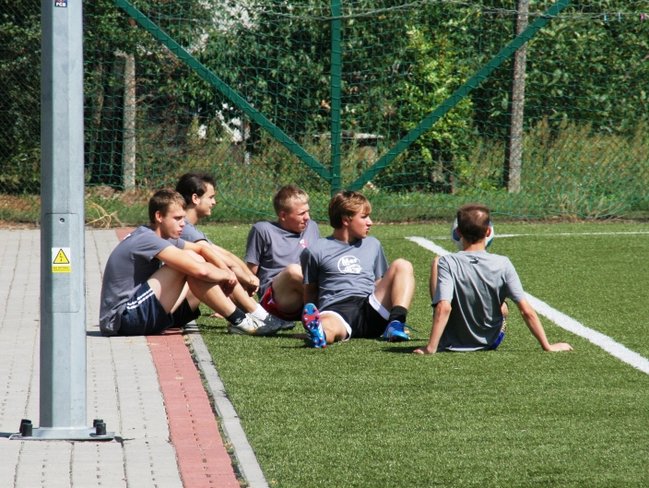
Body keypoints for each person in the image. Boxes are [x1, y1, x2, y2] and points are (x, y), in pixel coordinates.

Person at [100, 189, 263, 336]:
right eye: (177, 218)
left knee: (195, 259)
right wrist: (226, 275)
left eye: (183, 218)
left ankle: (254, 314)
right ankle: (241, 320)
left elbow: (201, 249)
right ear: (159, 217)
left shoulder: (161, 236)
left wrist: (225, 271)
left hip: (141, 314)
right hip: (122, 319)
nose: (183, 224)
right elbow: (200, 271)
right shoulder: (147, 239)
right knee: (189, 265)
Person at [414, 203, 573, 354]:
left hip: (450, 342)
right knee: (503, 306)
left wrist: (431, 347)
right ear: (489, 232)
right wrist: (547, 346)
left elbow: (444, 307)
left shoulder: (447, 262)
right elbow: (526, 311)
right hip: (490, 341)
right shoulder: (503, 263)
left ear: (458, 232)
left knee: (439, 268)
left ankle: (441, 336)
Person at [175, 173, 293, 335]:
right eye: (211, 197)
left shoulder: (189, 228)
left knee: (216, 265)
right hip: (174, 305)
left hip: (180, 303)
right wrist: (247, 279)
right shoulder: (183, 229)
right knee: (209, 265)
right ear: (195, 198)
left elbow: (226, 255)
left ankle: (258, 315)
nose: (214, 202)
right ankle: (253, 317)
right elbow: (221, 260)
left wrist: (247, 276)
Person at [299, 190, 415, 348]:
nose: (370, 222)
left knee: (403, 264)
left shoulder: (373, 244)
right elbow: (311, 291)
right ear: (346, 219)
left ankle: (396, 323)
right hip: (336, 309)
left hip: (370, 307)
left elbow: (379, 281)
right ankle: (320, 333)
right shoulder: (315, 250)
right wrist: (311, 316)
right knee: (328, 326)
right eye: (364, 217)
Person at [244, 184, 320, 322]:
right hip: (276, 299)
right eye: (301, 213)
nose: (307, 217)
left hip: (303, 297)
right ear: (283, 215)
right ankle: (329, 309)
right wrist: (236, 304)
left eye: (308, 212)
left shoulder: (312, 227)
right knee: (293, 271)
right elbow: (249, 273)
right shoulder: (263, 230)